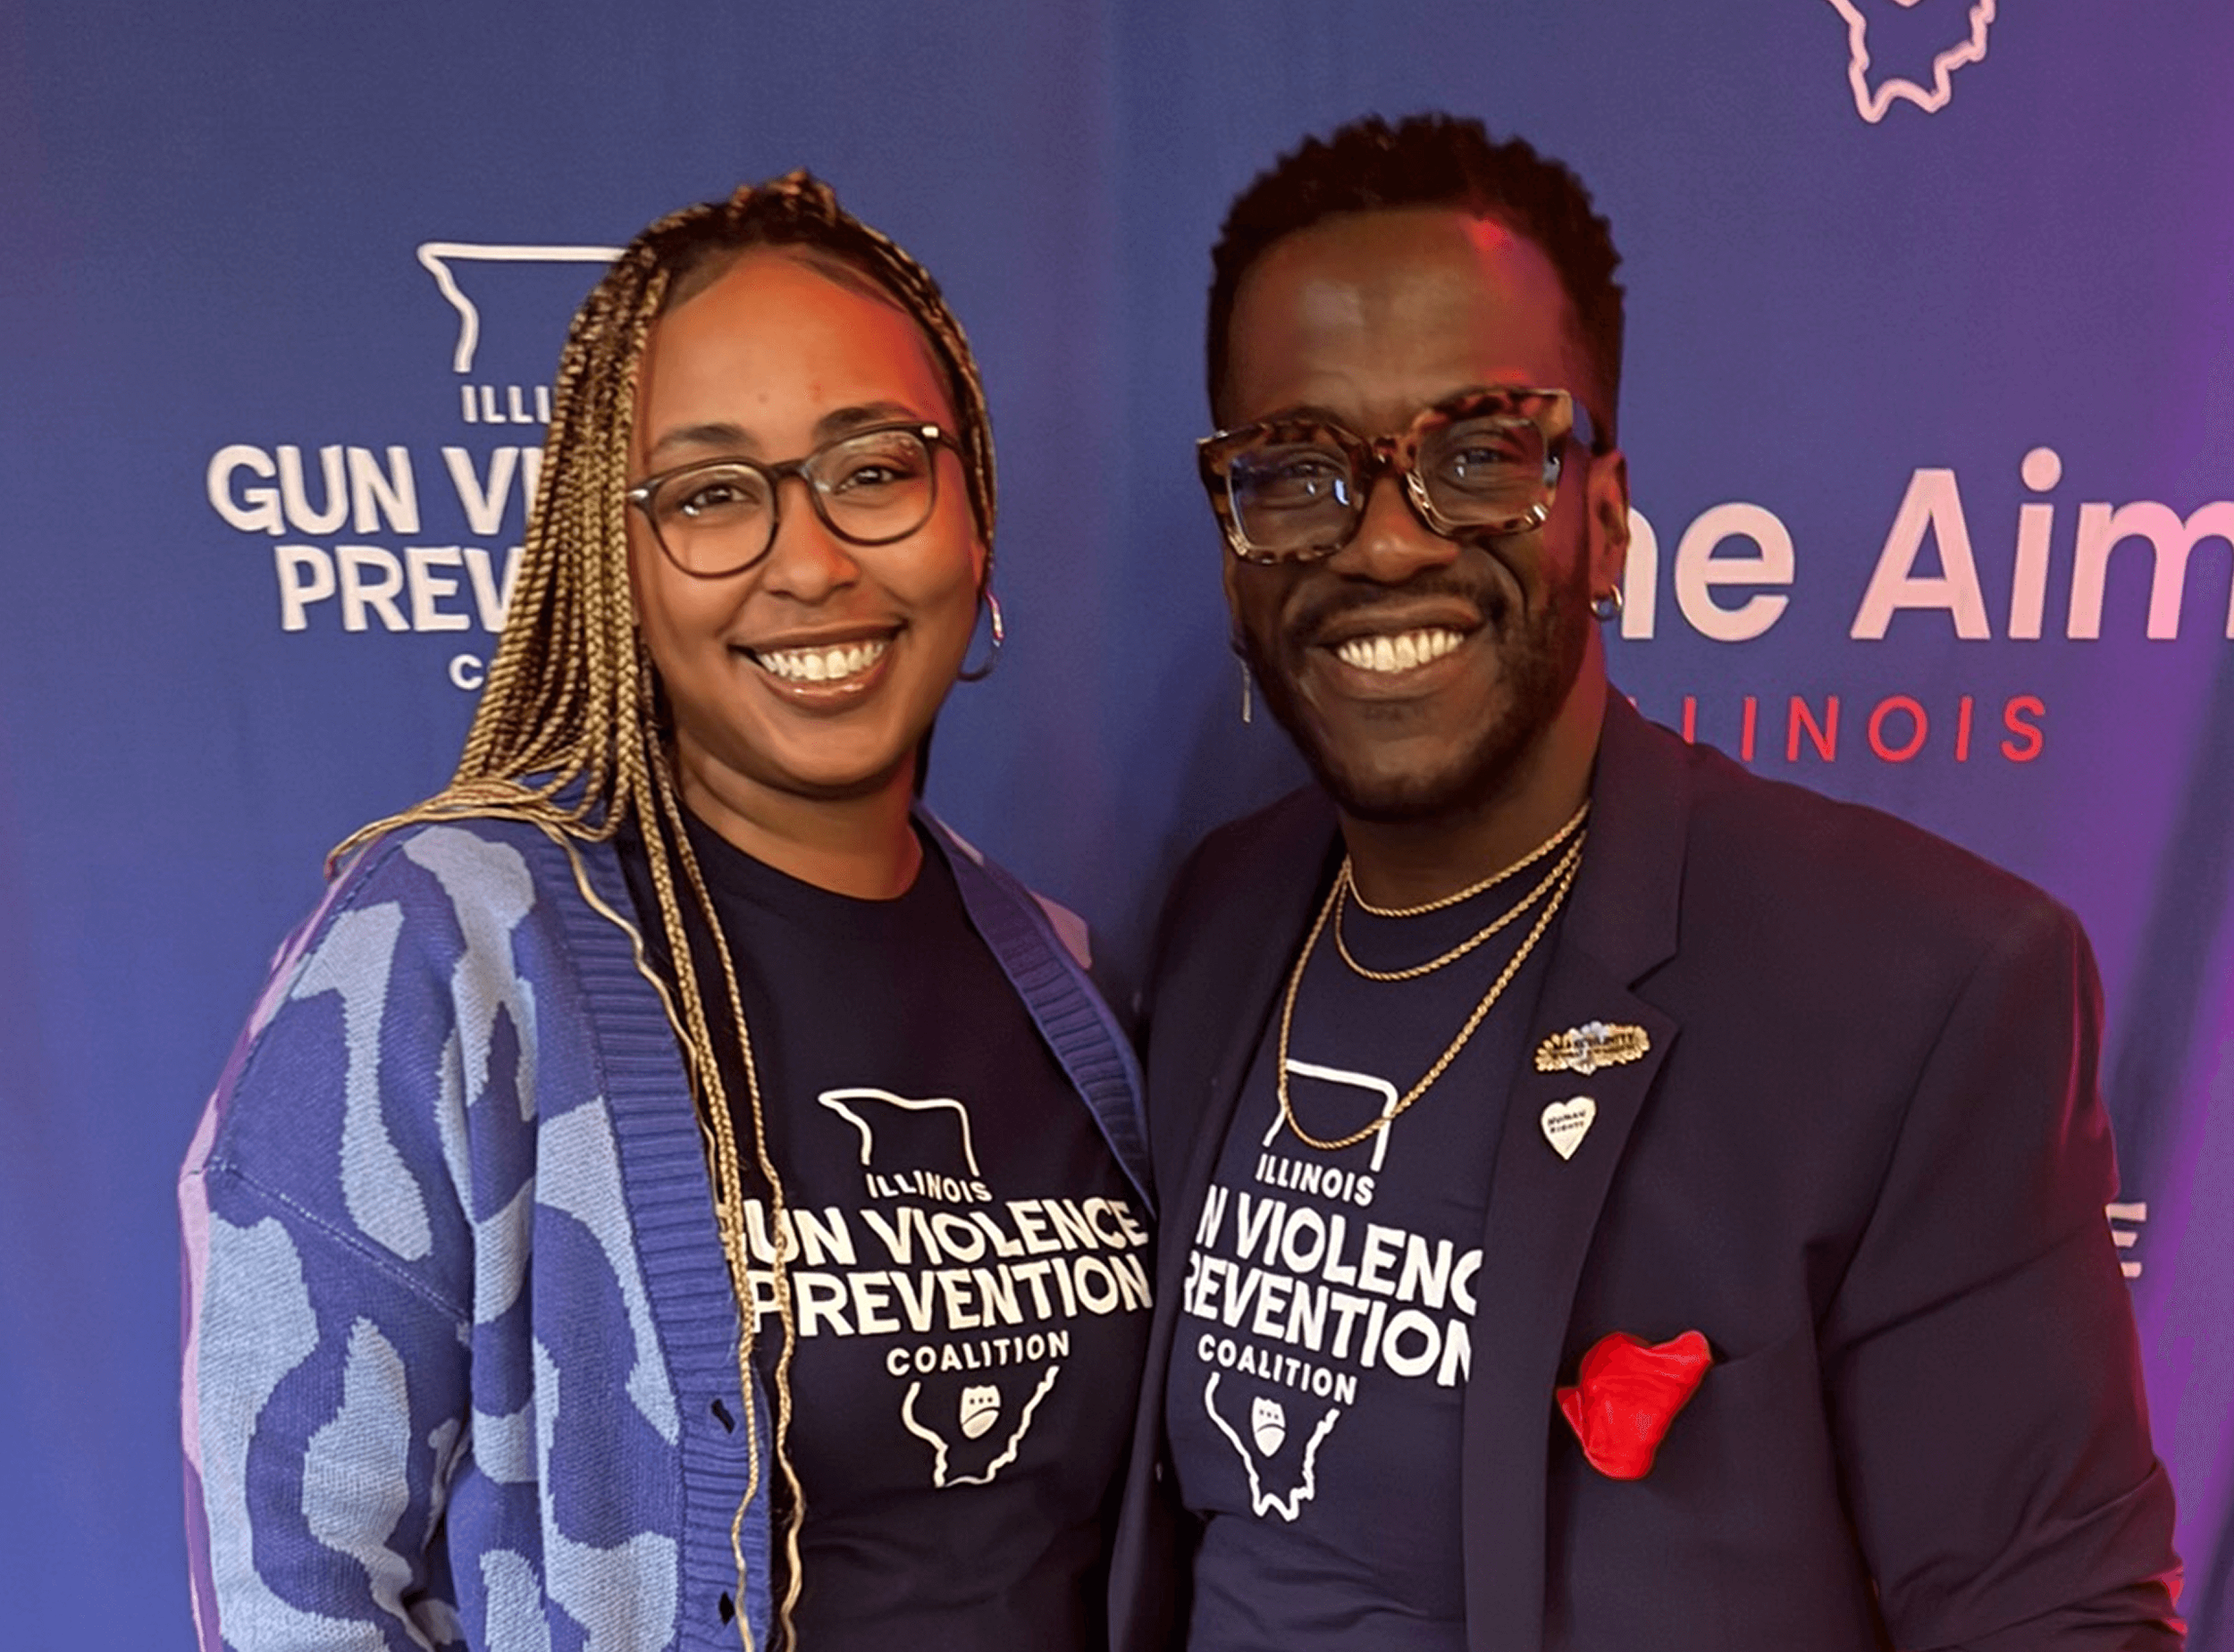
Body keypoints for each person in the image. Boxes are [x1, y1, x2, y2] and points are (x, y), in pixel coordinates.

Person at [1109, 113, 2182, 1651]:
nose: (1390, 544)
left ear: (1603, 521)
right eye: (1300, 472)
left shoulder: (1922, 988)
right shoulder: (1220, 918)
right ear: (1234, 550)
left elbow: (2053, 1615)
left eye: (1477, 458)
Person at [181, 173, 1153, 1652]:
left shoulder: (1065, 976)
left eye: (876, 469)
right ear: (614, 566)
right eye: (710, 494)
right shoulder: (450, 953)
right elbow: (295, 1582)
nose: (812, 559)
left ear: (976, 517)